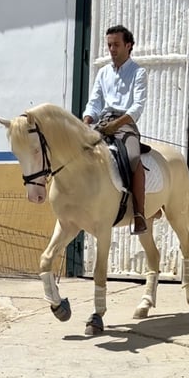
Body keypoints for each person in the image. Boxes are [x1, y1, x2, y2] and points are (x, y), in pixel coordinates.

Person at [82, 24, 148, 234]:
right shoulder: (103, 73)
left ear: (128, 46)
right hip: (102, 123)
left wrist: (116, 125)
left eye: (116, 45)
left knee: (132, 158)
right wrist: (86, 122)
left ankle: (139, 213)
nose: (111, 49)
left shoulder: (138, 72)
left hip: (125, 124)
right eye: (109, 45)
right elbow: (94, 102)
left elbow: (137, 107)